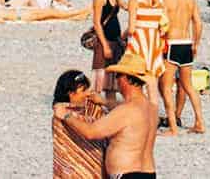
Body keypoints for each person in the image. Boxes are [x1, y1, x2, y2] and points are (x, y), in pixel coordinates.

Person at [64, 48, 158, 179]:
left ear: (125, 78)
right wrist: (104, 101)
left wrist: (66, 116)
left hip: (127, 174)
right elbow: (125, 113)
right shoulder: (151, 108)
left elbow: (91, 132)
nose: (116, 80)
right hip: (148, 173)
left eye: (118, 75)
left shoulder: (126, 110)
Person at [159, 0, 203, 135]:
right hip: (186, 43)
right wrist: (196, 43)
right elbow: (198, 23)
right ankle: (200, 121)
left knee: (167, 87)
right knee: (188, 86)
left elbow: (158, 22)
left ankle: (173, 127)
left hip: (171, 44)